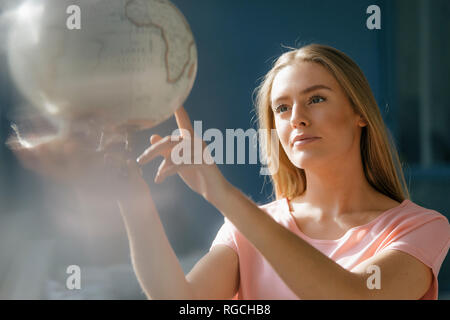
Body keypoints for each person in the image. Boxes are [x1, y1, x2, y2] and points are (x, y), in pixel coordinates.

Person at [10, 44, 450, 300]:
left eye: (316, 99)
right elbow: (182, 302)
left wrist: (221, 193)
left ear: (359, 113)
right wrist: (131, 195)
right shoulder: (248, 228)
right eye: (282, 108)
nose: (296, 118)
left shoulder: (421, 228)